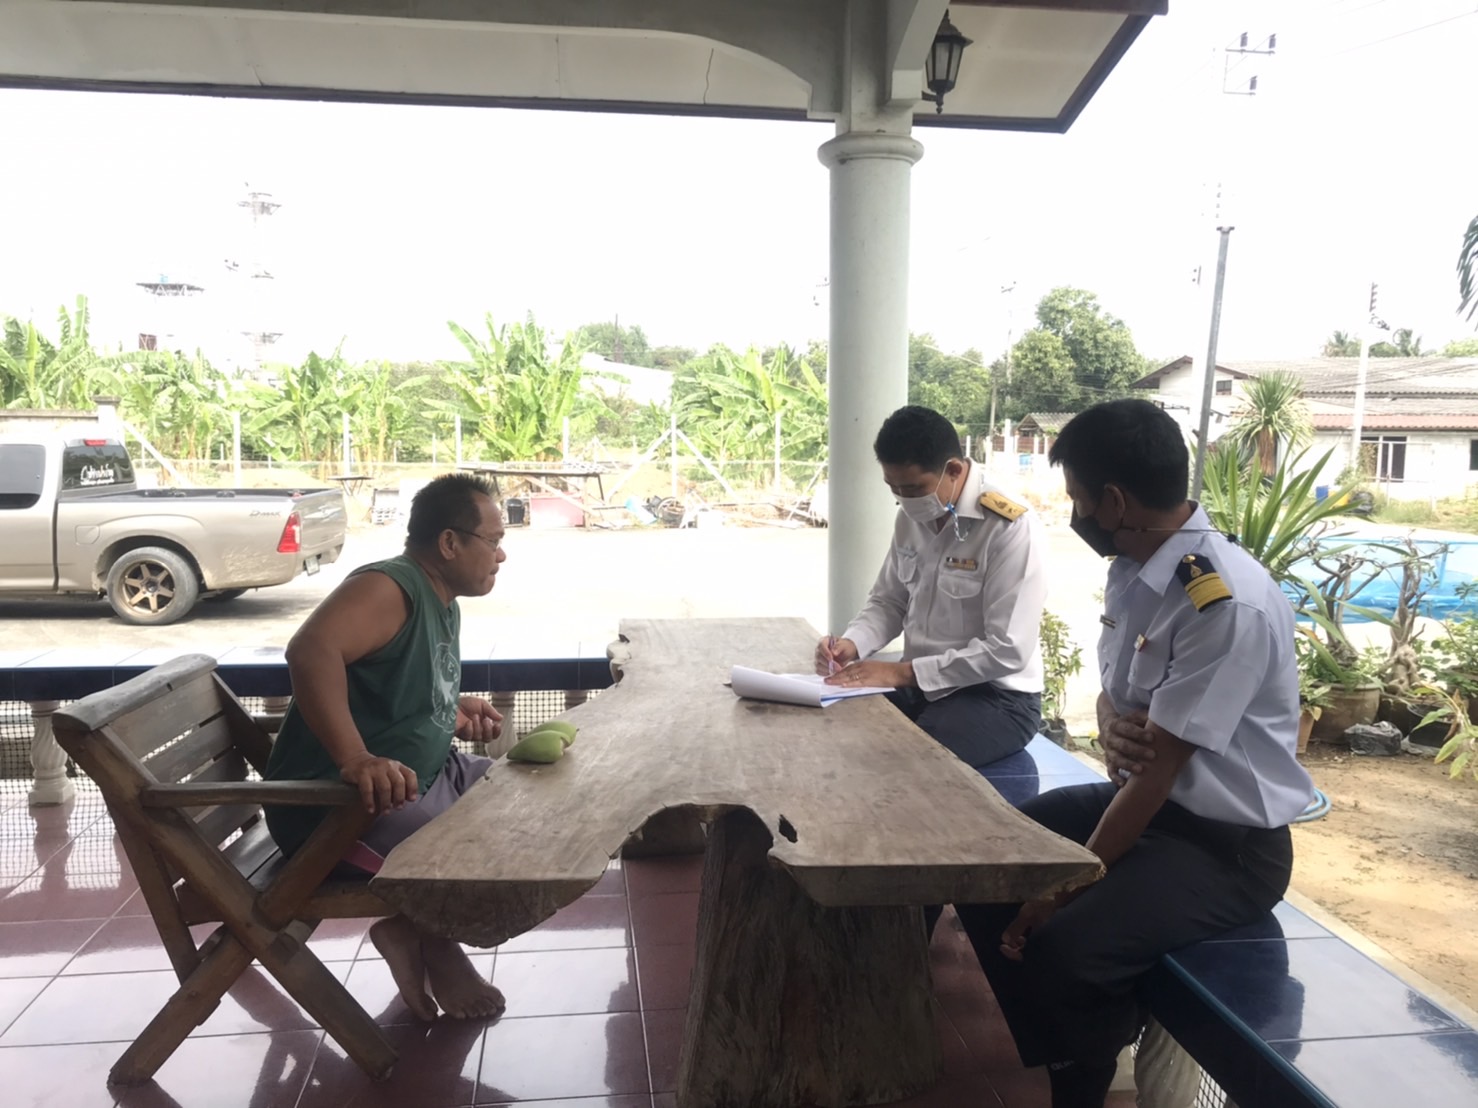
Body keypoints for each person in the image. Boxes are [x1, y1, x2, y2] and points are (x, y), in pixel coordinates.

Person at [953, 398, 1315, 1108]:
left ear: (1115, 501)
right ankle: (1078, 1039)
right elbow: (1117, 697)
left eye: (1079, 498)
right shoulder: (1138, 567)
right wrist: (1112, 723)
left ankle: (1084, 1078)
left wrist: (1064, 890)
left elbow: (1155, 774)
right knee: (993, 860)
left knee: (1068, 945)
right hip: (1156, 812)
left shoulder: (1223, 603)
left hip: (1228, 850)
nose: (1076, 514)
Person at [264, 471, 510, 1022]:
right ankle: (434, 942)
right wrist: (355, 758)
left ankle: (409, 929)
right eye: (493, 540)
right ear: (449, 543)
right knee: (465, 848)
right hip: (340, 815)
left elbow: (390, 685)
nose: (500, 555)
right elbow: (311, 651)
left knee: (526, 796)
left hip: (421, 780)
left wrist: (447, 708)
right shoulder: (391, 586)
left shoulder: (440, 599)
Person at [815, 404, 1048, 772]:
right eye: (893, 488)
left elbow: (1008, 649)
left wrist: (902, 674)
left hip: (997, 697)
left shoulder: (1008, 526)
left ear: (953, 470)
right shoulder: (911, 516)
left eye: (913, 488)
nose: (904, 499)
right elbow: (889, 601)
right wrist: (852, 643)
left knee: (907, 760)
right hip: (920, 683)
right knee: (838, 725)